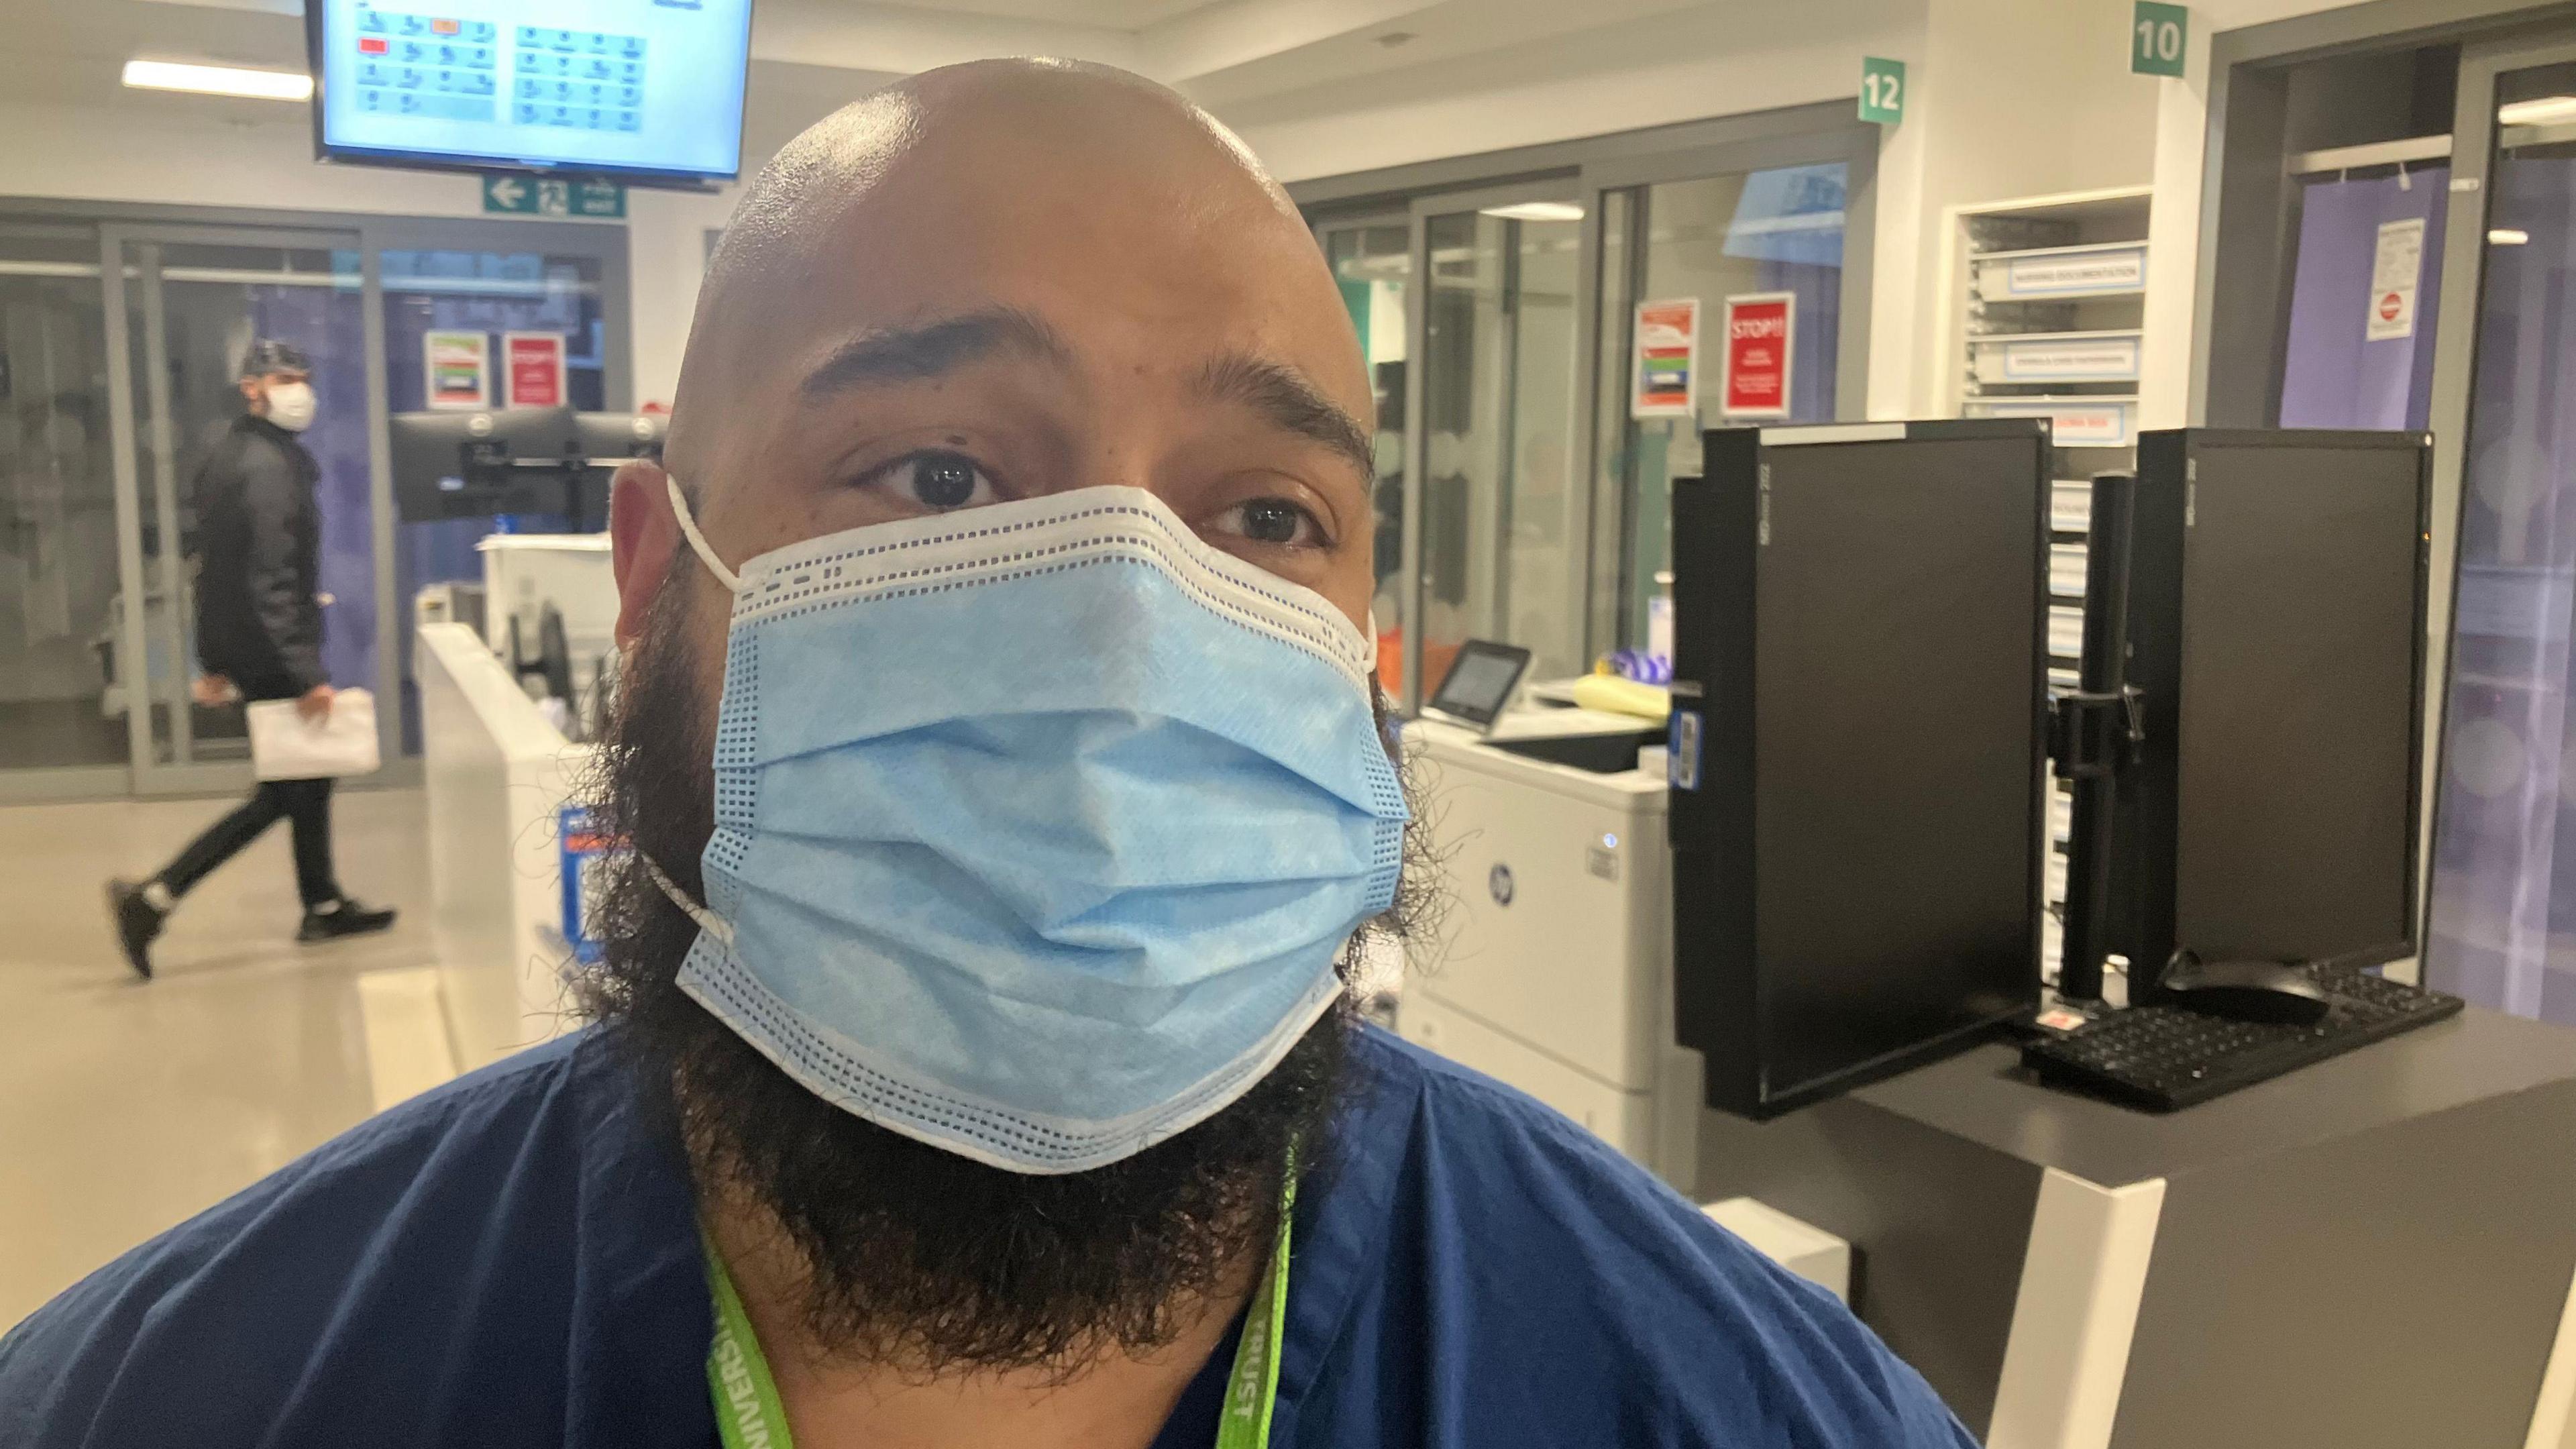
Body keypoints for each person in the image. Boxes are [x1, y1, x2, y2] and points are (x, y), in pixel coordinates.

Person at [5, 63, 1976, 1448]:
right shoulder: (189, 1395)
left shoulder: (1736, 1403)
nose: (1122, 638)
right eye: (937, 473)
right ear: (651, 579)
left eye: (1263, 515)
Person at [103, 339, 394, 980]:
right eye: (285, 378)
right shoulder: (266, 466)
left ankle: (321, 903)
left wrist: (213, 659)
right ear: (252, 387)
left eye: (303, 377)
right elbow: (267, 577)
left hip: (249, 645)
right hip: (272, 649)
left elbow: (212, 571)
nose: (299, 389)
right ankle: (155, 897)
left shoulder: (233, 455)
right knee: (283, 791)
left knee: (308, 779)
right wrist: (304, 674)